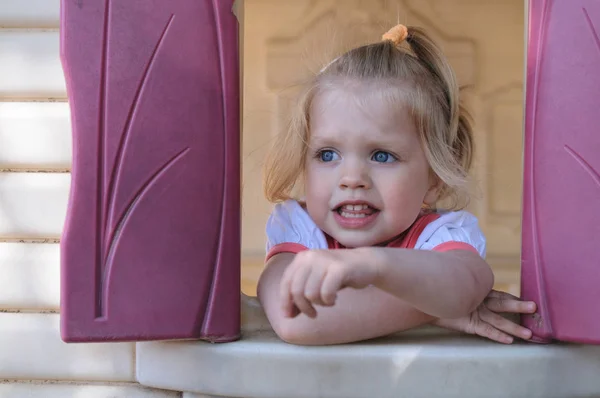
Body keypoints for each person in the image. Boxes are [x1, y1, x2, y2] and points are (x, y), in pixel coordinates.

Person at [257, 24, 536, 346]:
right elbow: (296, 322)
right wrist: (434, 309)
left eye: (382, 156)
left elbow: (467, 284)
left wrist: (374, 265)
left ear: (435, 178)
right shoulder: (300, 229)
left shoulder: (438, 234)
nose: (352, 179)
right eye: (327, 154)